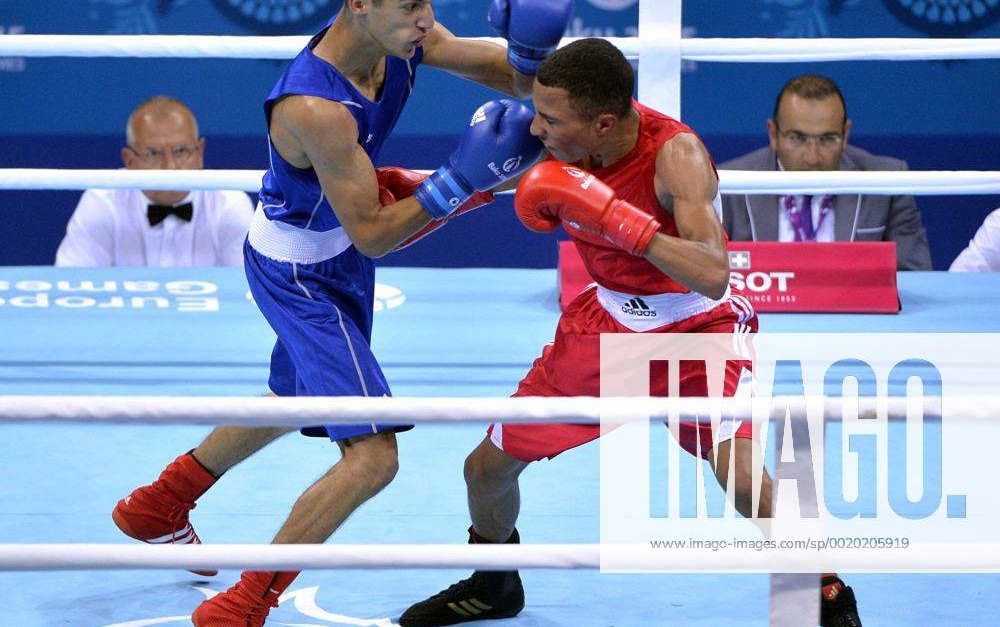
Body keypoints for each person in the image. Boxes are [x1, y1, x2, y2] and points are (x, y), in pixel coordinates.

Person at [110, 0, 571, 624]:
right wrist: (460, 183)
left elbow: (507, 78)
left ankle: (159, 503)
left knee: (296, 394)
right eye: (411, 5)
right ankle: (244, 604)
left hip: (338, 248)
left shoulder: (403, 38)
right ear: (359, 4)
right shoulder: (313, 106)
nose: (426, 17)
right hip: (303, 270)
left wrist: (531, 58)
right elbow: (374, 234)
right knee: (373, 456)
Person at [399, 40, 861, 627]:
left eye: (551, 119)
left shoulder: (677, 155)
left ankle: (822, 593)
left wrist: (619, 220)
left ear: (604, 123)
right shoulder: (553, 130)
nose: (535, 127)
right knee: (485, 471)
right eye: (537, 111)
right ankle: (494, 582)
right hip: (606, 325)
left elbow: (716, 274)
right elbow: (492, 155)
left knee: (743, 482)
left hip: (697, 327)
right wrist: (427, 184)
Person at [720, 74, 932, 272]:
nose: (813, 157)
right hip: (761, 312)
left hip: (855, 312)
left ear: (845, 134)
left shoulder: (887, 181)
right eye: (797, 138)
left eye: (828, 139)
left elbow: (916, 278)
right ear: (773, 134)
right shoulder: (730, 184)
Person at [55, 96, 253, 267]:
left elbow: (250, 296)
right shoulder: (102, 202)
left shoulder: (230, 204)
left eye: (181, 151)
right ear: (129, 160)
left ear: (200, 152)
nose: (170, 166)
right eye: (153, 154)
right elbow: (70, 287)